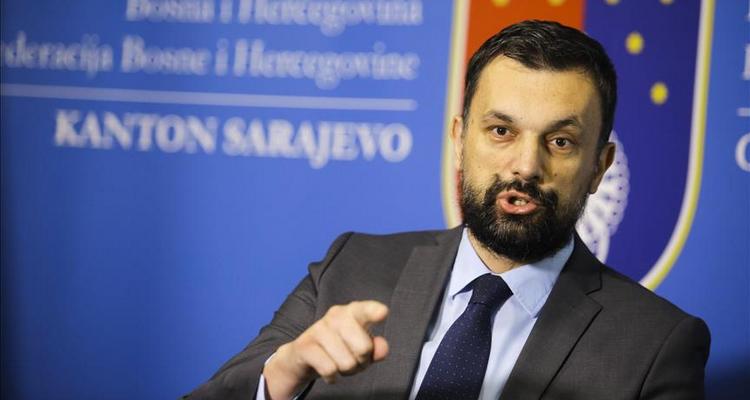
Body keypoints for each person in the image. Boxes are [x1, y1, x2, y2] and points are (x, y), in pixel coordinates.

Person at [185, 20, 710, 400]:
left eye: (560, 141)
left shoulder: (656, 346)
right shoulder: (351, 267)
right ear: (459, 140)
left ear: (599, 166)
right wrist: (283, 375)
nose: (526, 166)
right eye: (501, 131)